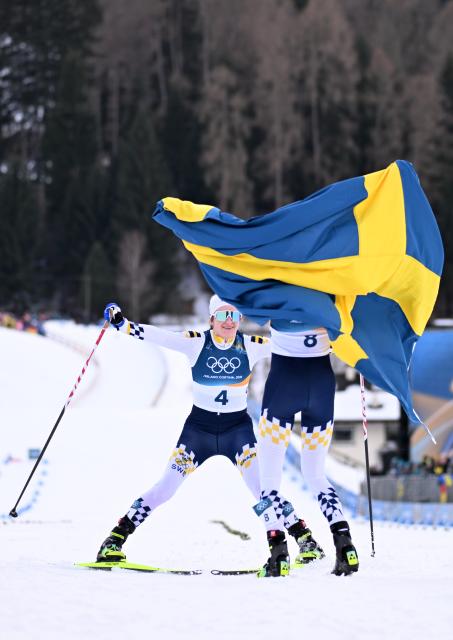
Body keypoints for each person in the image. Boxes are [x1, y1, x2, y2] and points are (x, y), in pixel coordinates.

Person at [97, 296, 324, 575]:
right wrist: (123, 325)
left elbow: (294, 346)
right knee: (165, 488)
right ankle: (114, 541)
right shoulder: (195, 342)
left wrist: (331, 336)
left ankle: (304, 540)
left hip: (237, 432)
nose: (229, 322)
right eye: (223, 316)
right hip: (198, 432)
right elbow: (161, 337)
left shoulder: (250, 345)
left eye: (234, 316)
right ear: (211, 320)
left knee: (263, 490)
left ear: (240, 321)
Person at [252, 319, 359, 577]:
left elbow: (250, 310)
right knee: (316, 475)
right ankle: (344, 544)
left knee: (269, 480)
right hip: (322, 385)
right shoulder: (330, 296)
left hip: (284, 383)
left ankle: (278, 554)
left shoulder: (278, 290)